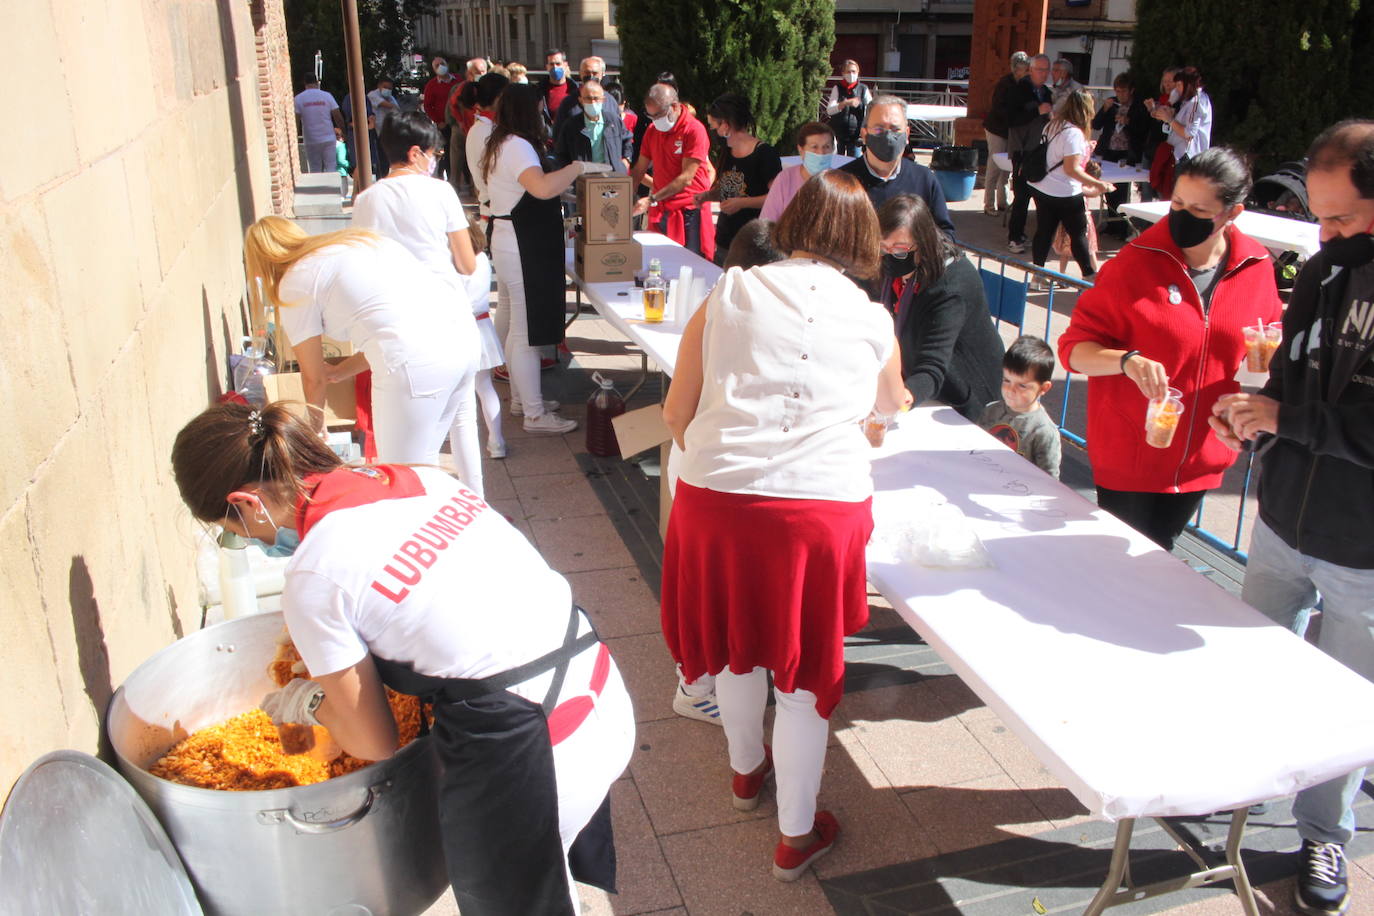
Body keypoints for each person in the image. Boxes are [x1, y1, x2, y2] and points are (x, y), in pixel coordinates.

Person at [170, 401, 635, 916]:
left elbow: (374, 742)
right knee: (550, 881)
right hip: (600, 698)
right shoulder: (416, 478)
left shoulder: (315, 575)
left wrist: (311, 703)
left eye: (233, 531)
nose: (248, 543)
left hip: (536, 759)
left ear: (248, 502)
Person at [660, 170, 911, 881]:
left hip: (717, 502)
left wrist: (726, 465)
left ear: (794, 221)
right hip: (819, 512)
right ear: (864, 240)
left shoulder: (730, 290)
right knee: (801, 676)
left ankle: (746, 775)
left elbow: (677, 414)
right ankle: (794, 835)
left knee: (740, 648)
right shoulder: (872, 319)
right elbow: (886, 418)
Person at [1209, 120, 1374, 916]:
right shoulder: (1324, 268)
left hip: (1363, 551)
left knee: (1346, 703)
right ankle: (1235, 784)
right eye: (1319, 215)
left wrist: (1285, 420)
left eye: (1340, 218)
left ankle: (1324, 832)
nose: (1324, 233)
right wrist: (1248, 418)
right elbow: (1294, 379)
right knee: (1253, 669)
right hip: (1282, 522)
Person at [1056, 147, 1282, 550]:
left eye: (1198, 210)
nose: (1181, 216)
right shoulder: (1134, 262)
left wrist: (1249, 408)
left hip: (1204, 457)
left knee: (1159, 551)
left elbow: (1262, 353)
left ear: (1232, 213)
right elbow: (1073, 349)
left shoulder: (1257, 266)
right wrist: (1127, 361)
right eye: (1177, 202)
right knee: (1128, 564)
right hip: (1131, 456)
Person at [244, 217, 478, 465]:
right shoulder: (349, 244)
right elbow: (389, 323)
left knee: (400, 475)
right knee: (424, 467)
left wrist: (312, 430)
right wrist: (341, 371)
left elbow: (314, 378)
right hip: (462, 339)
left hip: (416, 364)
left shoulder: (295, 281)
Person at [351, 110, 486, 494]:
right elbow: (466, 262)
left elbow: (363, 270)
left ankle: (424, 524)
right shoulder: (441, 192)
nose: (435, 160)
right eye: (435, 153)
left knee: (406, 462)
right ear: (415, 153)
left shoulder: (366, 201)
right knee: (462, 425)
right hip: (457, 329)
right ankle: (477, 505)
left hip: (410, 337)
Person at [481, 83, 611, 434]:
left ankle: (525, 400)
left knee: (518, 323)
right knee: (525, 332)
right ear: (529, 110)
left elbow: (533, 188)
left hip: (510, 239)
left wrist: (570, 188)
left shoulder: (500, 142)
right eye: (540, 107)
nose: (544, 113)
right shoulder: (517, 146)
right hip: (521, 243)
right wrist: (578, 168)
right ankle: (534, 415)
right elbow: (540, 188)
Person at [877, 194, 1004, 421]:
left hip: (967, 396)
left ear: (923, 243)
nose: (890, 256)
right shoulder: (890, 268)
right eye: (883, 248)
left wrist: (902, 397)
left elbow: (933, 364)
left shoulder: (950, 286)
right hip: (926, 387)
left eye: (899, 250)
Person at [838, 96, 955, 237]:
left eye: (895, 129)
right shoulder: (841, 182)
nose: (887, 136)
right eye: (879, 129)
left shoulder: (924, 179)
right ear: (864, 134)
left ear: (906, 135)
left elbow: (946, 234)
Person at [1028, 90, 1115, 280]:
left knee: (1044, 231)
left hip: (1043, 186)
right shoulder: (1074, 133)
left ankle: (1037, 275)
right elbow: (1072, 169)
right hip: (1065, 192)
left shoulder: (1053, 125)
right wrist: (1100, 185)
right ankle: (1089, 276)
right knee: (1078, 234)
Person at [630, 83, 715, 260]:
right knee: (659, 263)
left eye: (658, 115)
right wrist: (627, 197)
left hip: (689, 210)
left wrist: (652, 198)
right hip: (661, 206)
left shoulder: (694, 130)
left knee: (690, 265)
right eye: (650, 115)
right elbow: (639, 169)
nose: (654, 120)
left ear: (675, 107)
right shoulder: (653, 130)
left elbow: (686, 178)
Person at [696, 93, 783, 265]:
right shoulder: (728, 151)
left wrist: (742, 203)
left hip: (754, 244)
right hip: (725, 240)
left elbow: (776, 198)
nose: (713, 132)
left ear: (726, 125)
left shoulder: (765, 154)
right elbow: (729, 188)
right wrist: (707, 196)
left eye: (714, 126)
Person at [978, 336, 1062, 479]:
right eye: (1007, 380)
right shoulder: (990, 411)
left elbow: (1050, 480)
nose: (1011, 390)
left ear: (1043, 388)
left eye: (1022, 385)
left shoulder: (1043, 432)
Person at [1005, 53, 1054, 253]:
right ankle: (1014, 238)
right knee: (1021, 196)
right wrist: (1037, 111)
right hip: (1022, 149)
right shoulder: (1019, 89)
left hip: (1041, 149)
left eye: (1046, 70)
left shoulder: (1046, 92)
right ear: (1031, 70)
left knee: (1041, 194)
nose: (1044, 74)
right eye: (1040, 69)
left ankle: (1029, 235)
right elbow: (1010, 118)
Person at [1093, 73, 1152, 215]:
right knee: (1108, 187)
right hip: (1108, 150)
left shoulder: (1138, 105)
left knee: (1122, 190)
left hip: (1127, 152)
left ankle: (1121, 225)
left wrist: (1128, 122)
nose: (1120, 95)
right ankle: (1111, 222)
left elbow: (1143, 130)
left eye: (1123, 91)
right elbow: (1096, 124)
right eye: (1117, 91)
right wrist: (1104, 109)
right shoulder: (1112, 103)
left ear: (1131, 90)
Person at [982, 52, 1030, 216]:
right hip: (997, 128)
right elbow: (998, 108)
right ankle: (989, 204)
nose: (1024, 72)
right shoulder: (1005, 83)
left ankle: (1003, 202)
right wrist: (1015, 118)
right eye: (1022, 69)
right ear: (1015, 68)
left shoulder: (1025, 84)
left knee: (1007, 167)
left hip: (1012, 130)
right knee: (994, 164)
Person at [553, 78, 634, 174]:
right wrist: (571, 174)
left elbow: (627, 141)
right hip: (583, 180)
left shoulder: (614, 121)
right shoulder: (571, 125)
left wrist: (625, 162)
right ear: (581, 100)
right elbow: (561, 153)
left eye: (596, 98)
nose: (592, 102)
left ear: (603, 100)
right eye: (588, 98)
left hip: (612, 179)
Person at [761, 122, 836, 222]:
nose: (821, 153)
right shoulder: (785, 179)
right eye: (814, 147)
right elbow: (766, 222)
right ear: (801, 150)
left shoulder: (839, 183)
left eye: (826, 147)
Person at [466, 72, 510, 221]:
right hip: (495, 212)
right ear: (499, 98)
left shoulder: (483, 127)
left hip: (494, 208)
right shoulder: (486, 130)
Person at [552, 56, 616, 140]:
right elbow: (558, 134)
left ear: (602, 74)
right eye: (587, 73)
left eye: (595, 73)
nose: (591, 76)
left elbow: (619, 131)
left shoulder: (611, 102)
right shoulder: (568, 102)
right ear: (581, 73)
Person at [1159, 66, 1212, 166]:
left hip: (1188, 159)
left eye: (1179, 85)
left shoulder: (1196, 102)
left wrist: (1169, 120)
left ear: (1188, 84)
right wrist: (1169, 107)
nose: (1176, 89)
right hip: (1178, 156)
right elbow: (1175, 93)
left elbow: (1189, 133)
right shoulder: (1188, 99)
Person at [294, 76, 344, 174]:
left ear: (305, 83)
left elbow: (296, 120)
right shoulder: (327, 96)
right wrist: (344, 132)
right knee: (331, 167)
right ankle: (332, 188)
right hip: (328, 137)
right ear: (316, 82)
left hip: (311, 139)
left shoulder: (298, 99)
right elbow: (337, 116)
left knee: (314, 169)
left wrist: (294, 137)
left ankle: (318, 188)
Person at [824, 59, 871, 157]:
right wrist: (844, 103)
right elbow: (830, 110)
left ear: (858, 73)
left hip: (855, 135)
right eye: (848, 72)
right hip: (838, 133)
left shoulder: (863, 89)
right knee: (837, 163)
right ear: (843, 73)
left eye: (853, 71)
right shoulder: (837, 88)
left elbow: (871, 108)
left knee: (854, 164)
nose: (851, 74)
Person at [422, 57, 458, 179]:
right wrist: (438, 121)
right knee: (447, 151)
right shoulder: (431, 85)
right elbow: (427, 106)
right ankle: (448, 176)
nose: (440, 67)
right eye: (437, 66)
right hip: (444, 123)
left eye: (442, 64)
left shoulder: (458, 80)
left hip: (459, 122)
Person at [366, 76, 399, 177]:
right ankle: (380, 175)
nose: (387, 90)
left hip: (388, 131)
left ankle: (385, 174)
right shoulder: (373, 95)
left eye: (390, 88)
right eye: (385, 87)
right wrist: (392, 105)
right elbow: (388, 105)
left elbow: (397, 109)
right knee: (379, 157)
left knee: (386, 157)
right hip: (376, 130)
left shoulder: (391, 97)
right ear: (379, 86)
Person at [537, 48, 577, 132]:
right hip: (548, 139)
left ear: (565, 65)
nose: (555, 67)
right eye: (551, 64)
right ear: (547, 67)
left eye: (558, 64)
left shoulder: (575, 89)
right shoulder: (538, 90)